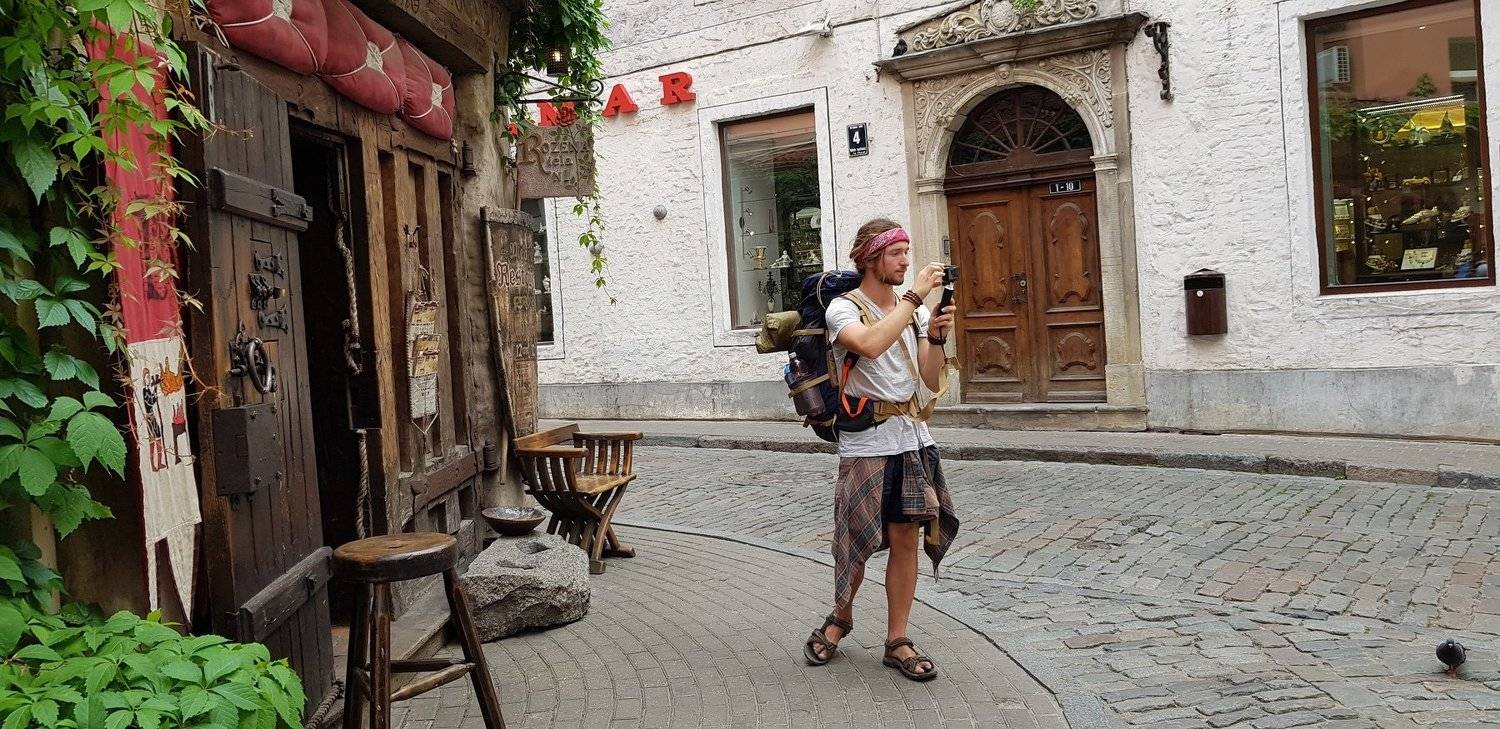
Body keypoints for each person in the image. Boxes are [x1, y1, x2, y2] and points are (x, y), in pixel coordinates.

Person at [802, 218, 960, 682]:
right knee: (856, 540)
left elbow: (928, 378)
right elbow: (869, 346)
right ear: (870, 258)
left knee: (906, 539)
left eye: (907, 252)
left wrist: (935, 336)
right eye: (896, 253)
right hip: (867, 443)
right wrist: (914, 299)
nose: (906, 261)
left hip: (913, 440)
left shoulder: (914, 313)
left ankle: (897, 639)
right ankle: (840, 618)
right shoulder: (843, 309)